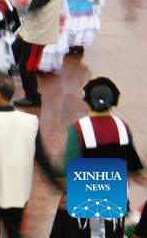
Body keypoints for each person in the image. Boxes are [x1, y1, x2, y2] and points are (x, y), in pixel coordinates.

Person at [48, 77, 144, 238]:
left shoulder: (79, 128)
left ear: (89, 102)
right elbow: (134, 164)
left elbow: (67, 168)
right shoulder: (122, 127)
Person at [0, 72, 57, 238]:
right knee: (14, 232)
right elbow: (42, 159)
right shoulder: (31, 122)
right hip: (18, 193)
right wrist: (56, 182)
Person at [13, 0, 64, 108]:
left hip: (37, 34)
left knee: (27, 66)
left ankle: (33, 97)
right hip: (31, 31)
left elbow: (31, 5)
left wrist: (22, 2)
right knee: (16, 51)